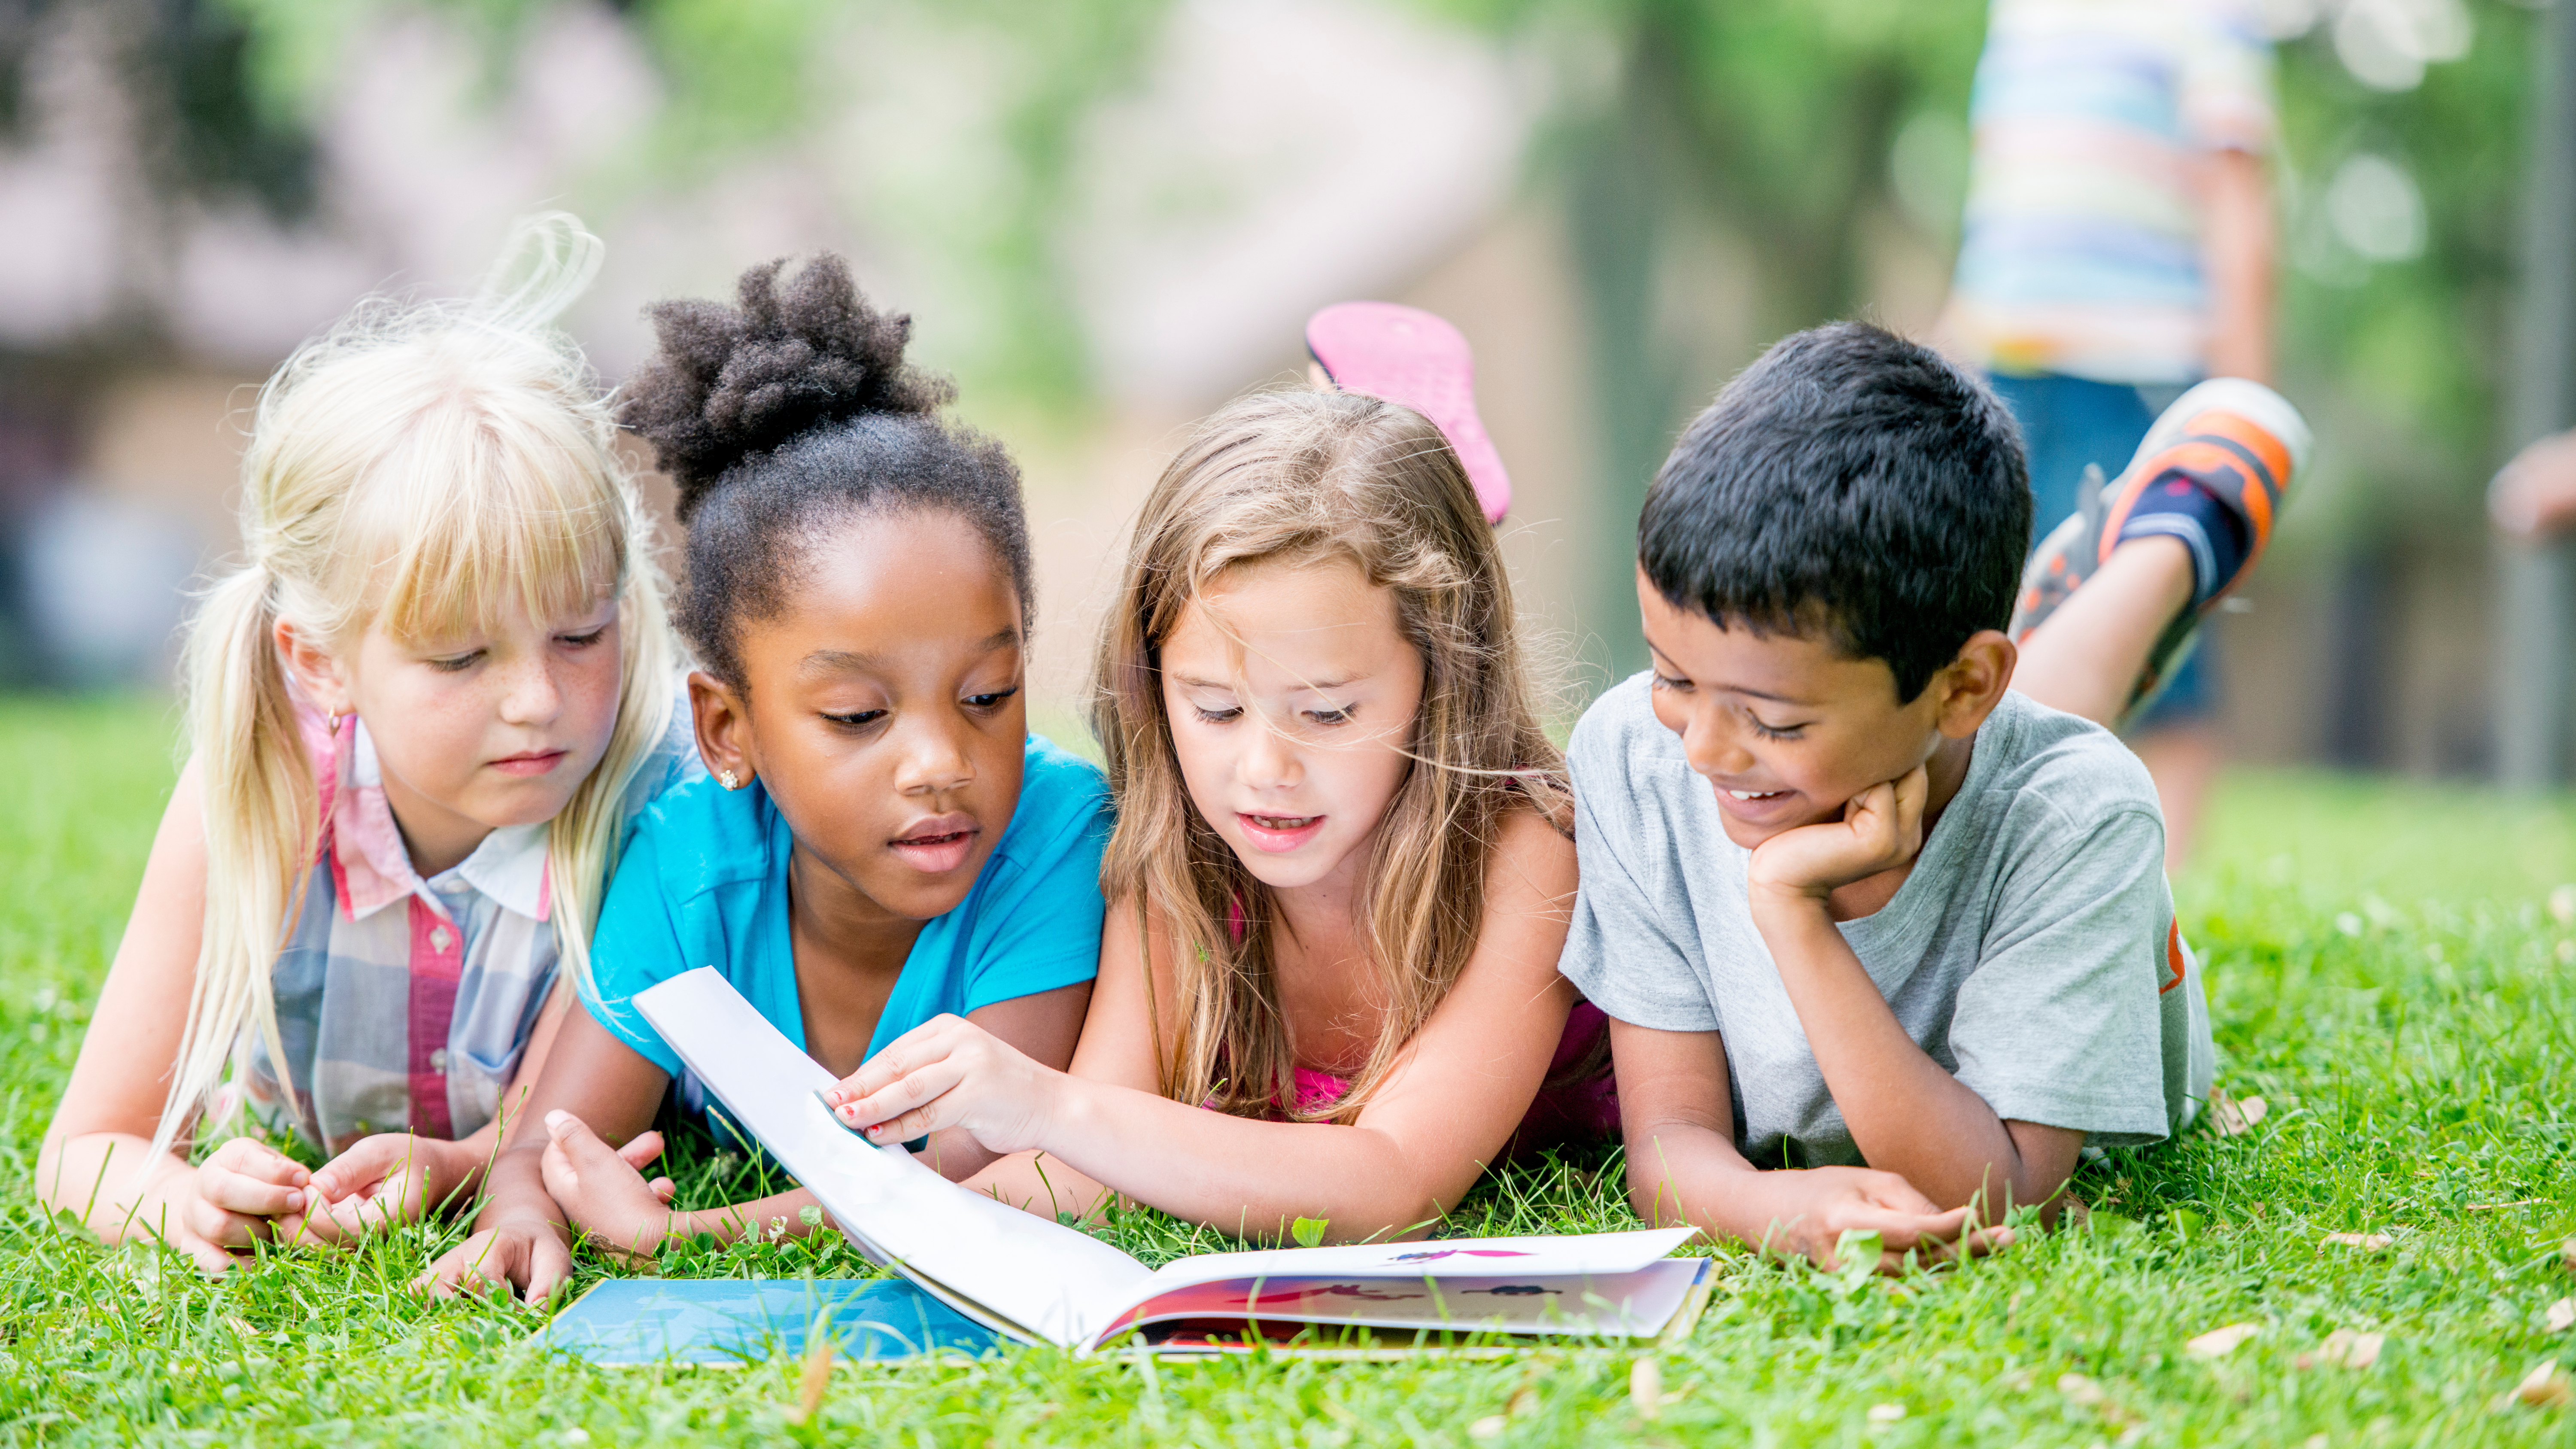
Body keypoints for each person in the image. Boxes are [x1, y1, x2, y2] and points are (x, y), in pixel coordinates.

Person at [419, 253, 1111, 1303]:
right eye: (857, 716)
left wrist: (690, 1234)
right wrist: (521, 1211)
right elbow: (549, 1139)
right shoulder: (687, 860)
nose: (939, 764)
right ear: (728, 728)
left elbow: (958, 1171)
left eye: (988, 695)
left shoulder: (1056, 837)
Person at [1568, 323, 2308, 1272]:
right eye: (1673, 676)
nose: (1705, 750)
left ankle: (2174, 537)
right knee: (2010, 713)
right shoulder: (1636, 753)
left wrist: (1793, 913)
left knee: (2034, 748)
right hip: (1951, 702)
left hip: (1998, 745)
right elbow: (1669, 1141)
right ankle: (2061, 602)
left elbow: (2000, 1191)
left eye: (1774, 720)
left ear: (1962, 685)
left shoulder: (2079, 816)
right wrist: (1764, 1208)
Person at [36, 215, 697, 1273]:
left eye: (580, 633)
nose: (538, 700)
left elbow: (547, 1145)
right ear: (320, 661)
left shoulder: (653, 802)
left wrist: (458, 1166)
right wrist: (184, 1203)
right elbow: (85, 1149)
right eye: (460, 658)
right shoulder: (259, 790)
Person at [817, 376, 1610, 1246]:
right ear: (1158, 688)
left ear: (1443, 679)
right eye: (1217, 710)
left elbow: (1395, 1180)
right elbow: (1089, 1164)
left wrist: (1050, 1105)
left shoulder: (1525, 850)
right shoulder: (1180, 856)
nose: (1266, 770)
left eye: (1328, 713)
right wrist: (811, 1216)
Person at [1935, 0, 2281, 869]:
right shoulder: (2022, 19)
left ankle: (2166, 886)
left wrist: (2239, 398)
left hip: (2134, 367)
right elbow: (2002, 212)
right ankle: (2014, 870)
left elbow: (2236, 201)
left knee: (2153, 625)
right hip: (2005, 368)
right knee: (2002, 621)